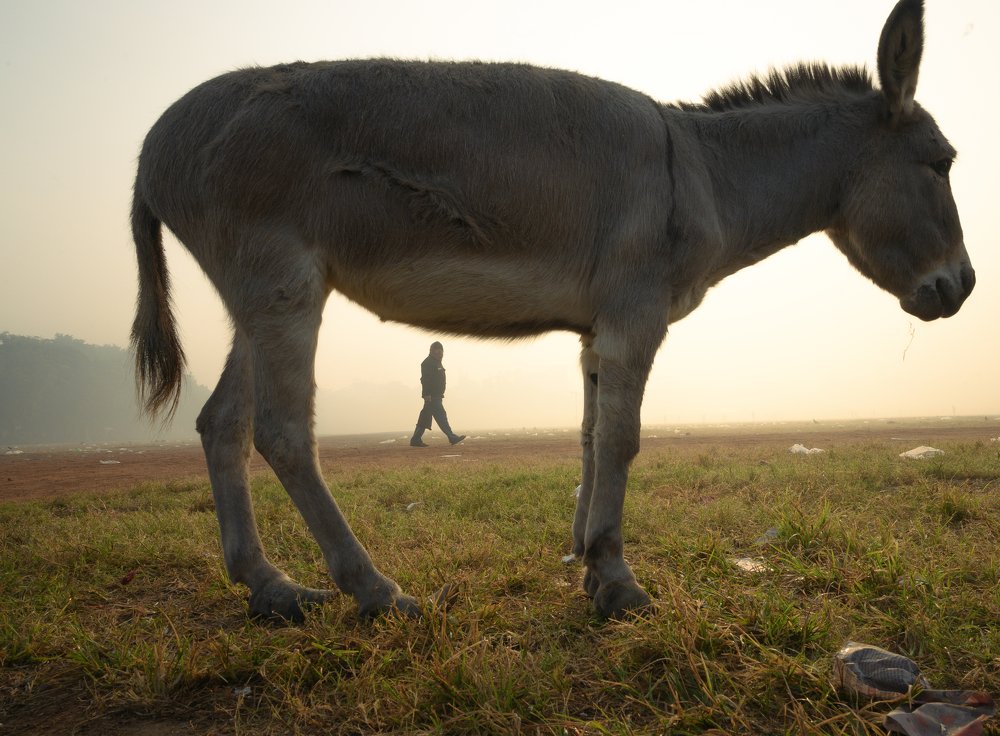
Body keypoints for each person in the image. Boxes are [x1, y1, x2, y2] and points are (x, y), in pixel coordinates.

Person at [410, 341, 466, 447]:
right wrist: (426, 394)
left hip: (437, 396)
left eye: (441, 352)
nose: (440, 354)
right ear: (431, 351)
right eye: (438, 351)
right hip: (432, 396)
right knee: (441, 417)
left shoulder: (437, 362)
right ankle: (452, 437)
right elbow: (425, 380)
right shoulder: (427, 363)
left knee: (425, 418)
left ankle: (415, 439)